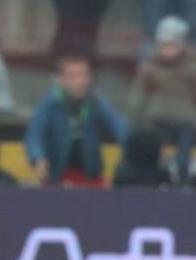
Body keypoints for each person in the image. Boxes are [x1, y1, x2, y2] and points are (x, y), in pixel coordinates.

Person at [127, 13, 196, 178]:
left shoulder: (195, 68)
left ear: (182, 44)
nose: (167, 49)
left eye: (172, 45)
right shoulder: (149, 68)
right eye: (164, 45)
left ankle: (183, 181)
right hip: (157, 120)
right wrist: (134, 119)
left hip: (186, 123)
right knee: (152, 156)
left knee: (183, 161)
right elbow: (138, 96)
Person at [27, 51, 130, 186]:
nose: (79, 82)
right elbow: (35, 135)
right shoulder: (49, 104)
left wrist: (133, 150)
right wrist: (38, 157)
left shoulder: (96, 102)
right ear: (61, 79)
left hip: (90, 176)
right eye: (73, 76)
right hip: (57, 176)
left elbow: (118, 126)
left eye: (83, 76)